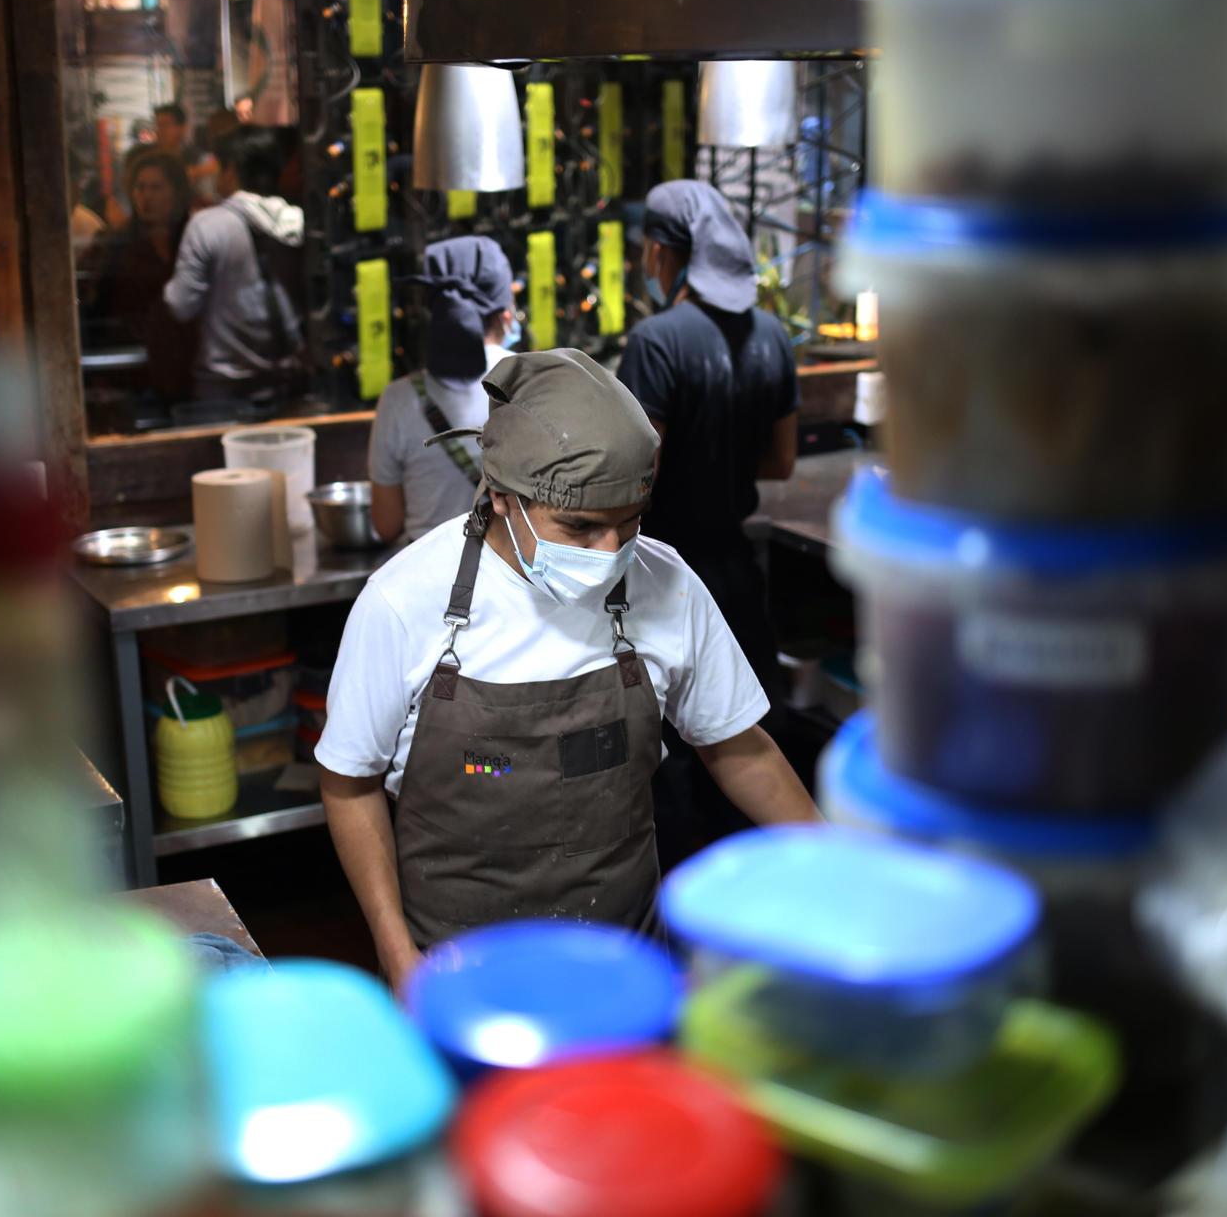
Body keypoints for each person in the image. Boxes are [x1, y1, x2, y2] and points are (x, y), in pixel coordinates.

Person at [316, 348, 821, 985]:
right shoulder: (404, 601)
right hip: (461, 973)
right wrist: (397, 957)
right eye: (579, 528)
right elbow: (350, 782)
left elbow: (738, 747)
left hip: (623, 966)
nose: (610, 552)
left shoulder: (665, 583)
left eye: (628, 523)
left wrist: (834, 860)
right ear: (502, 496)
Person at [616, 179, 800, 870]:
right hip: (736, 569)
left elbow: (638, 475)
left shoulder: (658, 341)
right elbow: (781, 461)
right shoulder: (773, 337)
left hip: (664, 576)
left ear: (665, 253)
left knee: (674, 760)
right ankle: (757, 899)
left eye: (649, 253)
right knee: (748, 741)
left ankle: (686, 913)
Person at [369, 236, 520, 545]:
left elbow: (386, 525)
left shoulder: (398, 400)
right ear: (506, 314)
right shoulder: (529, 382)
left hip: (430, 587)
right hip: (510, 580)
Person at [162, 126, 305, 409]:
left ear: (232, 170)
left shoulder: (208, 224)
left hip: (224, 389)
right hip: (290, 382)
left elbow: (181, 304)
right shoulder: (299, 220)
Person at [79, 147, 196, 401]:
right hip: (131, 368)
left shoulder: (194, 238)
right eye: (140, 188)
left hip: (188, 364)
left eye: (156, 187)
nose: (146, 197)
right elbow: (93, 307)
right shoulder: (114, 243)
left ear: (176, 191)